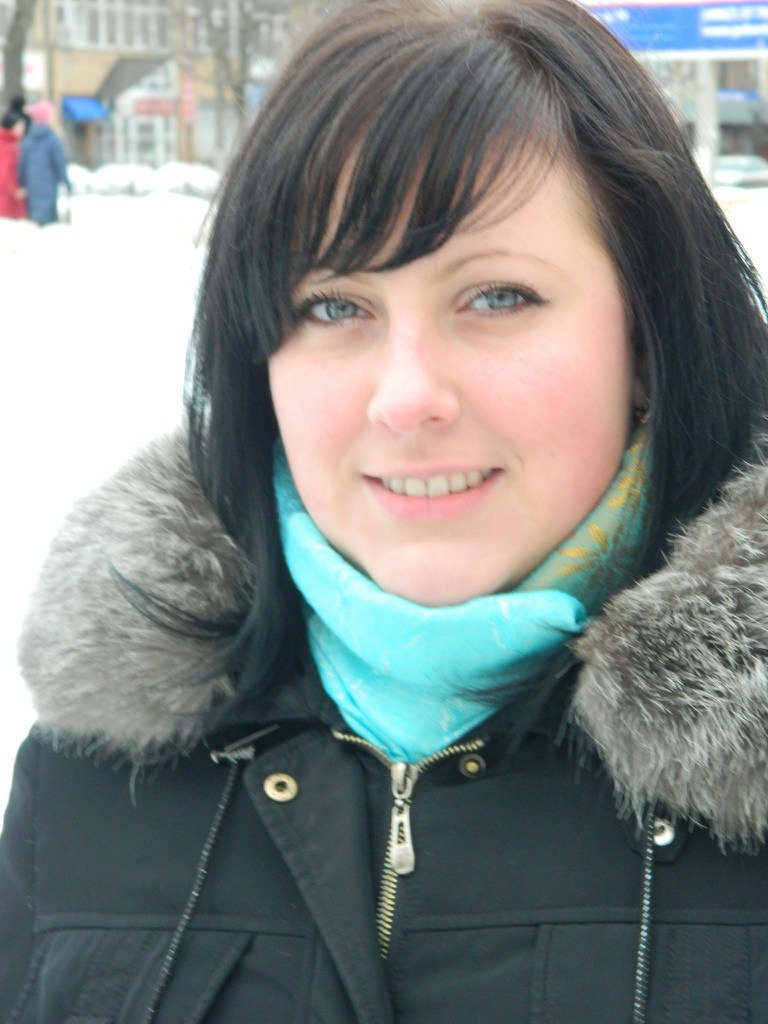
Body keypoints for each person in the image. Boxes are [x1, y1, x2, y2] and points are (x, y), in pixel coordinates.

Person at [2, 0, 768, 1020]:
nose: (406, 398)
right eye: (334, 307)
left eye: (497, 296)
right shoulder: (95, 776)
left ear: (647, 341)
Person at [17, 99, 70, 226]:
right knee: (48, 223)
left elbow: (22, 165)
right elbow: (59, 163)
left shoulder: (28, 140)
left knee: (34, 222)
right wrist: (65, 182)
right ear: (47, 118)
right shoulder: (53, 140)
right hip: (49, 186)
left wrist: (22, 183)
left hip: (31, 186)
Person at [0, 111, 26, 219]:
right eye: (20, 126)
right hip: (7, 196)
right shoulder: (8, 146)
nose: (22, 129)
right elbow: (5, 170)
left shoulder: (9, 143)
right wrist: (14, 190)